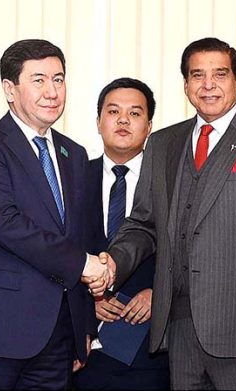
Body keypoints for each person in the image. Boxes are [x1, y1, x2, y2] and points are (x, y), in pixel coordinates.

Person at [99, 38, 236, 390]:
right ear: (186, 85)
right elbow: (143, 224)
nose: (208, 84)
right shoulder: (164, 143)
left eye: (219, 74)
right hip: (181, 333)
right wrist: (112, 263)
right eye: (197, 75)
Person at [0, 39, 112, 390]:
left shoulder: (74, 154)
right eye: (38, 80)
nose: (51, 91)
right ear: (10, 89)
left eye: (59, 79)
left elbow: (78, 236)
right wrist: (84, 264)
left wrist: (82, 325)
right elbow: (6, 224)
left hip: (58, 335)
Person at [74, 78, 170, 390]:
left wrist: (162, 296)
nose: (123, 120)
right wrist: (88, 301)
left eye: (135, 113)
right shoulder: (71, 180)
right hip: (83, 345)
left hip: (151, 345)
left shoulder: (173, 184)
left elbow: (194, 252)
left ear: (150, 125)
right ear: (99, 121)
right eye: (113, 111)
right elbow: (51, 251)